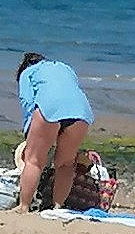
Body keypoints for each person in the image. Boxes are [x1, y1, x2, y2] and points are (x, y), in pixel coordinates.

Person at [14, 52, 94, 214]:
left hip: (49, 107)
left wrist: (29, 133)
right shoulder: (65, 68)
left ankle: (23, 206)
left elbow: (27, 102)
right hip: (81, 111)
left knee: (34, 161)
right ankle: (58, 208)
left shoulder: (27, 72)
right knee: (66, 164)